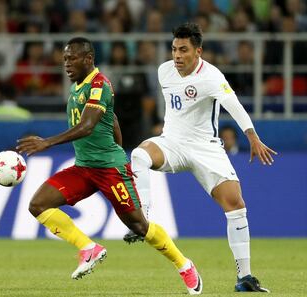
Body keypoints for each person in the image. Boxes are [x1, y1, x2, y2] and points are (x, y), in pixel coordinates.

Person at [16, 37, 203, 295]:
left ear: (88, 59)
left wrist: (48, 143)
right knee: (37, 204)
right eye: (65, 59)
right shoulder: (77, 87)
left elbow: (88, 125)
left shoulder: (99, 84)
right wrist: (115, 145)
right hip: (84, 168)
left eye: (72, 59)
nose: (67, 64)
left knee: (139, 226)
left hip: (109, 170)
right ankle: (88, 248)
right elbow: (111, 118)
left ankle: (184, 265)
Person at [124, 23, 276, 293]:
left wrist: (252, 137)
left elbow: (235, 106)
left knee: (236, 204)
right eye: (174, 49)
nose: (177, 56)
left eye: (183, 50)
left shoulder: (212, 77)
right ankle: (142, 220)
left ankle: (245, 277)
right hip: (172, 142)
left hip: (206, 148)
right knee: (138, 155)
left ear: (198, 52)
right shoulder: (164, 71)